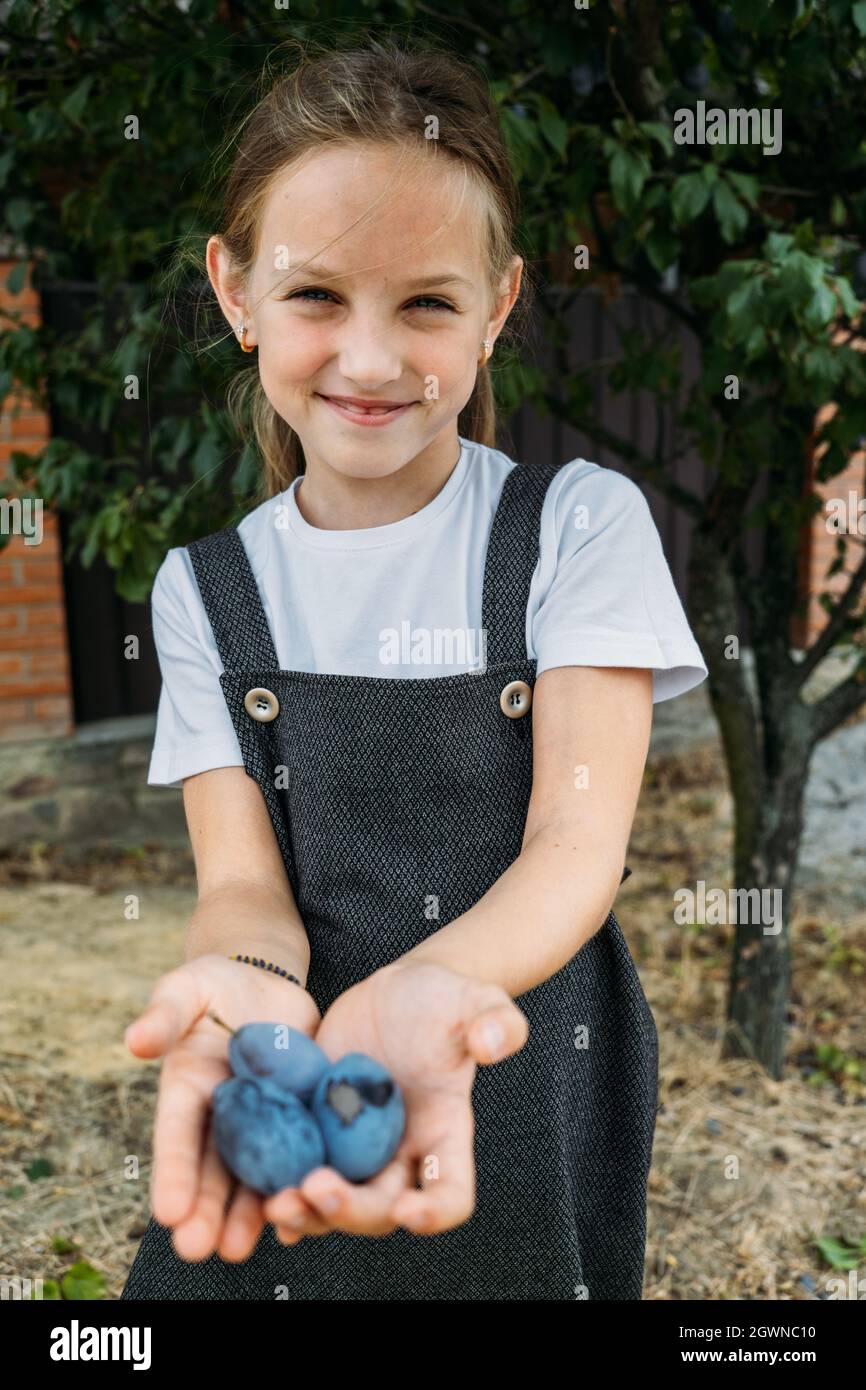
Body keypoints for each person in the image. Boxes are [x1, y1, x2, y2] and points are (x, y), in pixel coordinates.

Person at [120, 37, 708, 1301]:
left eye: (427, 303)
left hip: (516, 1054)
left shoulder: (575, 530)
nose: (372, 361)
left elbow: (573, 844)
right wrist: (248, 995)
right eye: (316, 297)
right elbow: (243, 889)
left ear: (495, 309)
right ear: (235, 295)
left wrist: (432, 986)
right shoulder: (203, 591)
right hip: (293, 1070)